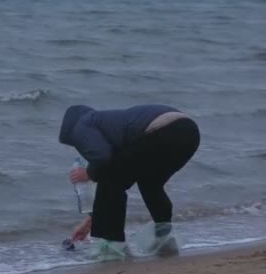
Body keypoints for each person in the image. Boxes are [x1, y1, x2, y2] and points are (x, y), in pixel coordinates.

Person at [59, 104, 200, 257]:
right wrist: (93, 220)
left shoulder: (82, 124)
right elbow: (124, 165)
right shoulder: (109, 124)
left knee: (110, 178)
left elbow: (103, 159)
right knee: (150, 182)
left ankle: (112, 246)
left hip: (162, 131)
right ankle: (164, 238)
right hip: (189, 132)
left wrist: (89, 173)